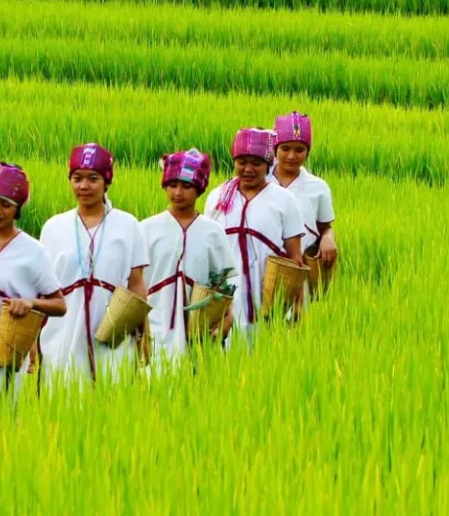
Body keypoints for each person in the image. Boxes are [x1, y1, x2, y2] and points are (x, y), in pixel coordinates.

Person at [39, 143, 149, 383]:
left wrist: (143, 334)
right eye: (77, 178)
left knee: (112, 392)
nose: (84, 186)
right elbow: (42, 288)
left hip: (111, 326)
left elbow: (137, 284)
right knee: (62, 392)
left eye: (93, 178)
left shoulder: (128, 225)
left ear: (107, 182)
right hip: (63, 327)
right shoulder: (53, 227)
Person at [0, 163, 68, 395]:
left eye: (6, 205)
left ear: (17, 209)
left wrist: (31, 303)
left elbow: (59, 304)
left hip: (3, 358)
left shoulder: (33, 251)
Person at [205, 128, 304, 341]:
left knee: (264, 357)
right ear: (234, 162)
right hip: (225, 298)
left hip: (268, 296)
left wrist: (298, 302)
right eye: (242, 162)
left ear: (268, 165)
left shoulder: (284, 201)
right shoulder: (217, 198)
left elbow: (296, 257)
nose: (248, 169)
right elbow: (207, 253)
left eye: (256, 163)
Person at [141, 149, 236, 366]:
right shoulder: (146, 229)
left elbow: (223, 285)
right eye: (172, 185)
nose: (178, 192)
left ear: (200, 189)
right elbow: (136, 282)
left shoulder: (213, 232)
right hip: (156, 320)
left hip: (199, 326)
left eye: (187, 186)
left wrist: (227, 317)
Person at [269, 111, 337, 281]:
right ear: (275, 149)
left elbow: (325, 227)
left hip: (300, 269)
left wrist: (328, 239)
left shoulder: (318, 188)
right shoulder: (261, 181)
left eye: (300, 150)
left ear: (307, 152)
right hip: (262, 268)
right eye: (285, 148)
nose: (292, 156)